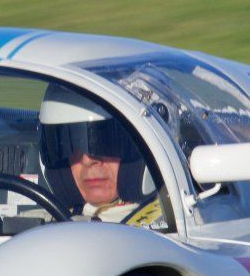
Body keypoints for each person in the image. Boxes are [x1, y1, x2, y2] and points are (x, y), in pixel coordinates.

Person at [37, 85, 163, 226]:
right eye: (70, 146)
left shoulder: (174, 228)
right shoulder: (35, 229)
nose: (88, 160)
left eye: (107, 143)